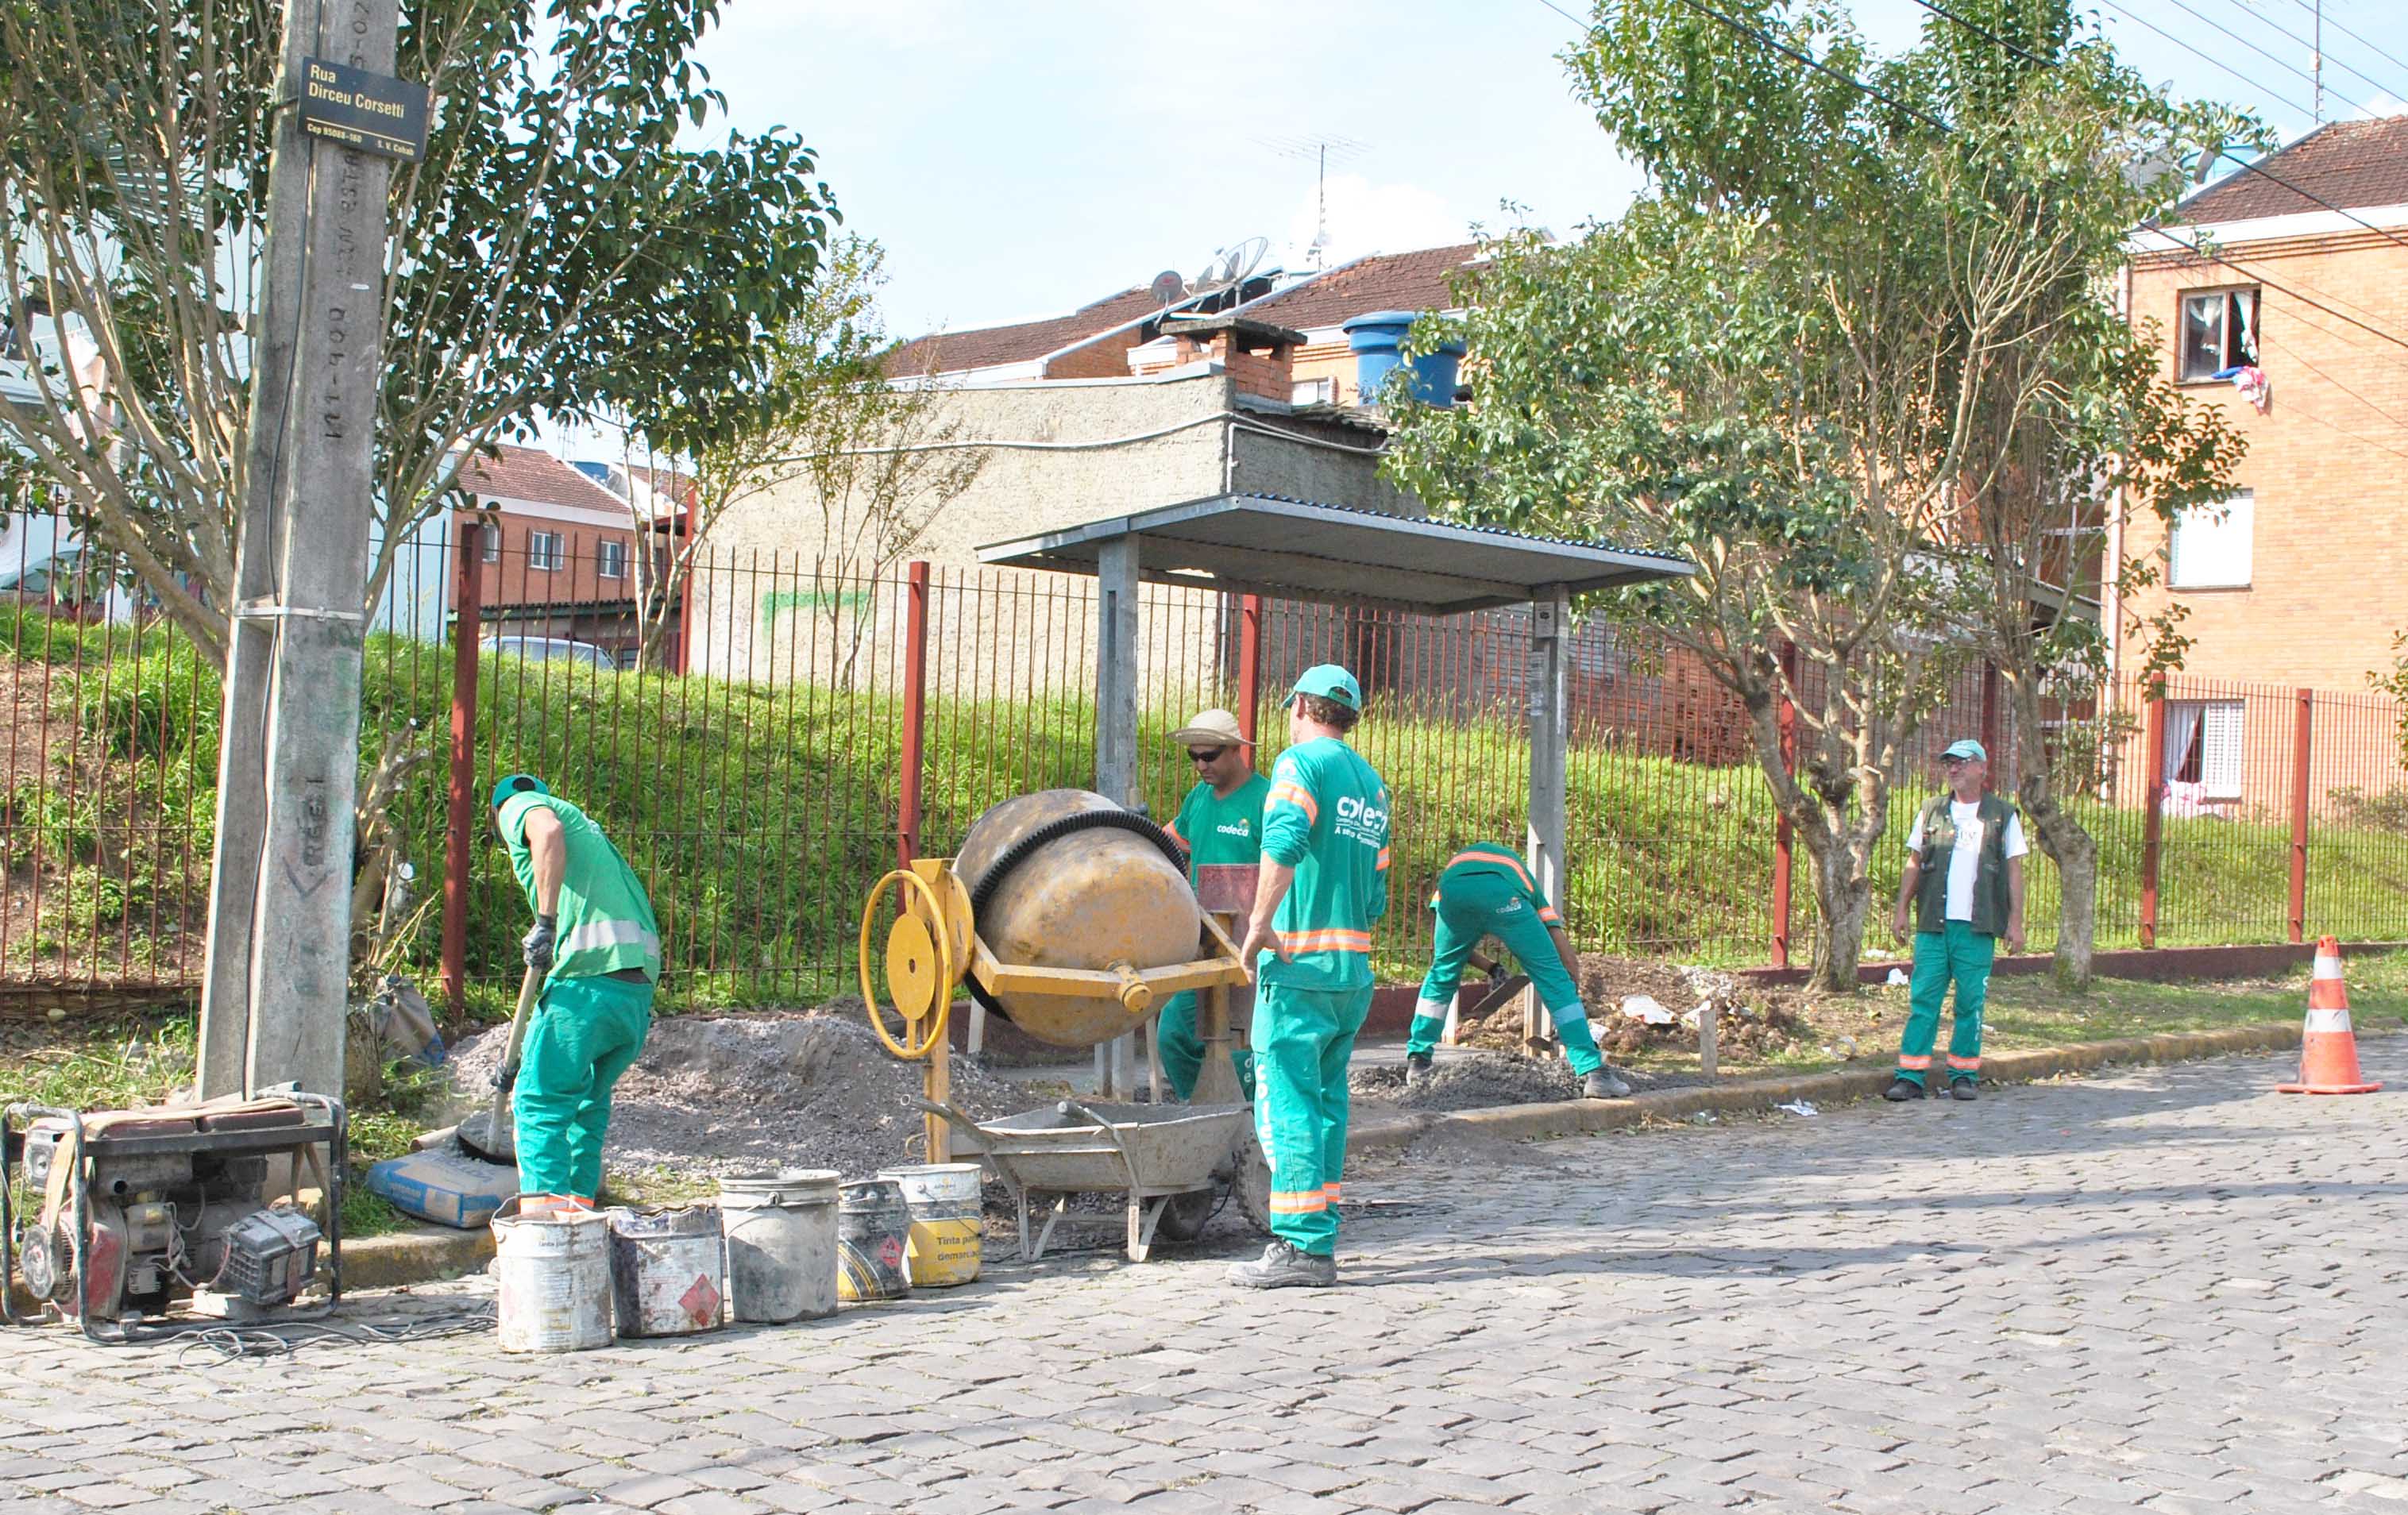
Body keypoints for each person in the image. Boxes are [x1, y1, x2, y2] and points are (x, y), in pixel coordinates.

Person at [1229, 665, 1390, 1289]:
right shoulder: (1372, 785)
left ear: (1297, 704)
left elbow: (1284, 840)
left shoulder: (1299, 764)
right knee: (1325, 1106)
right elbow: (1375, 887)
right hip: (1351, 973)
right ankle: (1319, 1227)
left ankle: (1301, 1247)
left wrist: (1260, 924)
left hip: (1297, 969)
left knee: (1287, 1102)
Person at [492, 774, 662, 1213]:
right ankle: (578, 1224)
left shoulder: (520, 806)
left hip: (587, 984)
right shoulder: (591, 835)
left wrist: (545, 922)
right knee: (586, 1106)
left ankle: (545, 1239)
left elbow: (544, 832)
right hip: (633, 993)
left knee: (540, 1100)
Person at [1407, 842, 1633, 1099]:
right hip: (1504, 895)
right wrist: (1570, 982)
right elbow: (1555, 935)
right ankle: (1595, 1073)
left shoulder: (1451, 879)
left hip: (1453, 892)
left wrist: (1492, 968)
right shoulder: (1523, 879)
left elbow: (1453, 952)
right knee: (1552, 978)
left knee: (1442, 973)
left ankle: (1418, 1061)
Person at [1885, 739, 2026, 1103]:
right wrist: (1902, 908)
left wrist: (2016, 922)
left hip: (1977, 927)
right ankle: (1910, 1075)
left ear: (1982, 767)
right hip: (1935, 923)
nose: (1953, 769)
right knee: (1924, 999)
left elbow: (2013, 871)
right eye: (1948, 762)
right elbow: (1914, 863)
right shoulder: (1931, 811)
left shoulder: (2002, 815)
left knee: (1970, 1001)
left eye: (1962, 762)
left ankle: (1964, 1073)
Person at [1158, 707, 1267, 1103]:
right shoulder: (1198, 800)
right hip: (1205, 941)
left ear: (1236, 749)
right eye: (1194, 757)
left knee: (1240, 1040)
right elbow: (1172, 846)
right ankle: (1201, 1112)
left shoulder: (1264, 801)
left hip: (1248, 943)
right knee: (1175, 1033)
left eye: (1210, 756)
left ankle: (1247, 1122)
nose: (1201, 765)